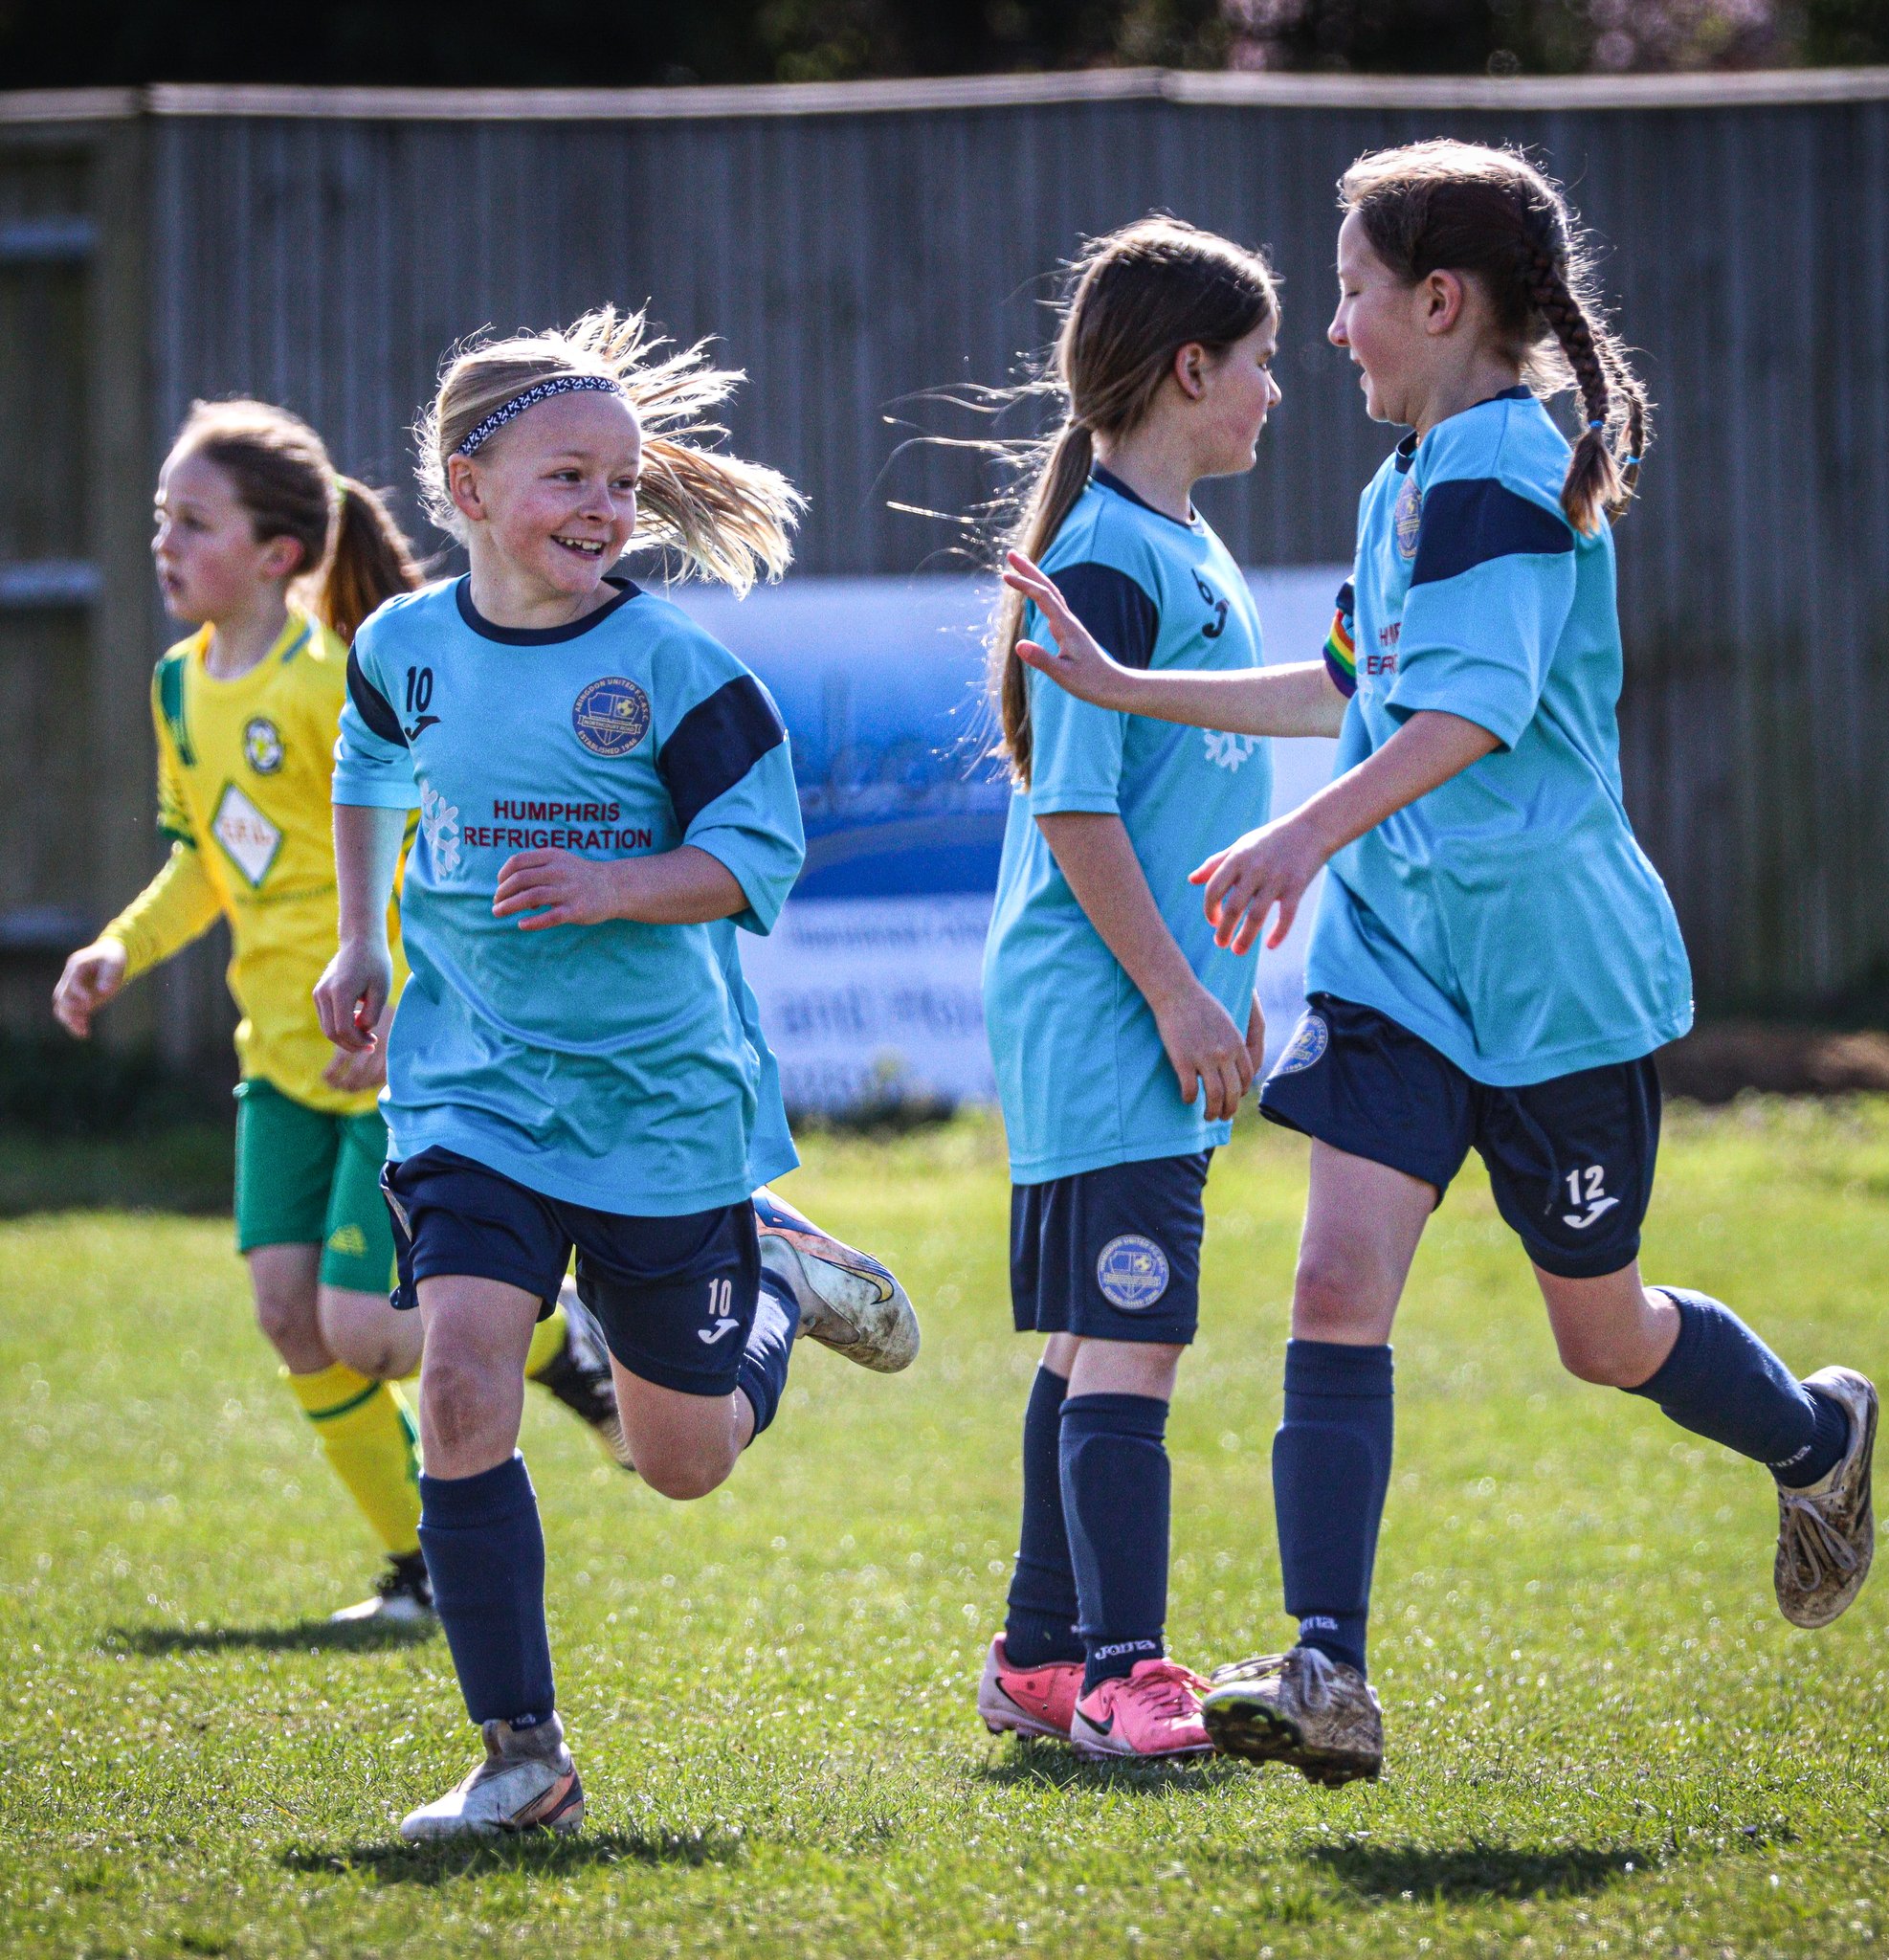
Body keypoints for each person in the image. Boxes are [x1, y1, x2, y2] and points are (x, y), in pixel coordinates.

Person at [1005, 141, 1878, 1787]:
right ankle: (1325, 1667)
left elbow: (1466, 719)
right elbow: (1346, 689)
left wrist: (1294, 840)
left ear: (1436, 299)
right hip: (1398, 965)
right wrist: (1125, 693)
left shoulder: (1504, 473)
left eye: (1344, 293)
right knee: (1330, 1286)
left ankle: (1812, 1435)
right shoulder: (1400, 486)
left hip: (1550, 983)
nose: (1329, 329)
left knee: (1598, 1331)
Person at [319, 307, 914, 1841]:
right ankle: (522, 1756)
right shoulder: (400, 648)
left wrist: (613, 884)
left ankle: (772, 1274)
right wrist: (361, 947)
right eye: (570, 478)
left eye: (624, 485)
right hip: (474, 1091)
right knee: (460, 1380)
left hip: (662, 1105)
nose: (605, 511)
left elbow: (756, 857)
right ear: (465, 486)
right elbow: (368, 770)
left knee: (685, 1464)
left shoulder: (672, 665)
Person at [51, 399, 627, 1625]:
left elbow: (418, 844)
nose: (164, 543)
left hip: (382, 1054)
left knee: (362, 1326)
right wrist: (118, 948)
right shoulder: (173, 689)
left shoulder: (333, 682)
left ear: (275, 554)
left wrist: (413, 1002)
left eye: (191, 522)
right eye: (161, 517)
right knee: (287, 1317)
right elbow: (208, 860)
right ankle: (420, 1568)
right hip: (278, 1061)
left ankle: (547, 1335)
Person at [974, 219, 1282, 1761]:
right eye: (1259, 361)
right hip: (1105, 1018)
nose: (1275, 390)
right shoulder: (1104, 555)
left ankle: (1042, 1660)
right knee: (1135, 1338)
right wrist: (1177, 996)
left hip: (1123, 1014)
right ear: (1187, 369)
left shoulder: (1166, 542)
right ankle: (1124, 1674)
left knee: (1089, 1339)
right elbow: (1077, 813)